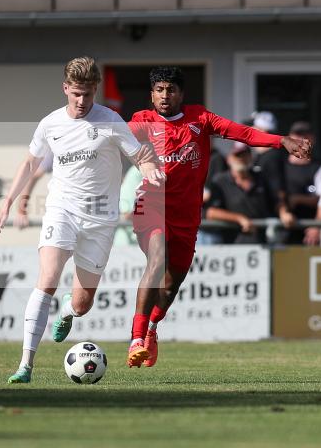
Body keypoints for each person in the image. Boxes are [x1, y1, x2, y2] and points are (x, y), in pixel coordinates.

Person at [0, 56, 162, 384]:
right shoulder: (50, 124)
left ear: (95, 89)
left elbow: (138, 153)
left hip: (100, 220)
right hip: (62, 211)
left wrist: (150, 168)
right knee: (48, 279)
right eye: (76, 94)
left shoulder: (110, 120)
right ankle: (26, 364)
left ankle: (69, 311)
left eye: (88, 94)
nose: (82, 101)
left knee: (82, 304)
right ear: (65, 89)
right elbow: (30, 164)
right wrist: (6, 205)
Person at [126, 66, 310, 369]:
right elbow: (116, 140)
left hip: (186, 215)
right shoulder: (142, 121)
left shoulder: (200, 119)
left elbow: (245, 133)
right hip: (151, 206)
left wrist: (281, 141)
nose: (164, 95)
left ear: (181, 94)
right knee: (156, 261)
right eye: (159, 89)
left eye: (170, 89)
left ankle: (151, 330)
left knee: (171, 285)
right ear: (151, 94)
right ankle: (135, 338)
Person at [205, 143, 291, 244]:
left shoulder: (261, 178)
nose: (241, 159)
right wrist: (239, 218)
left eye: (244, 155)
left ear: (251, 157)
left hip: (263, 241)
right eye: (237, 155)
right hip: (233, 243)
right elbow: (210, 212)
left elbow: (276, 201)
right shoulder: (220, 181)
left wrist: (284, 212)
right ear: (229, 159)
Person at [282, 121, 321, 245]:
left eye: (305, 136)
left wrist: (298, 199)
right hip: (281, 228)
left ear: (312, 139)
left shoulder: (319, 168)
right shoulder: (278, 165)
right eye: (297, 135)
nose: (301, 139)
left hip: (309, 231)